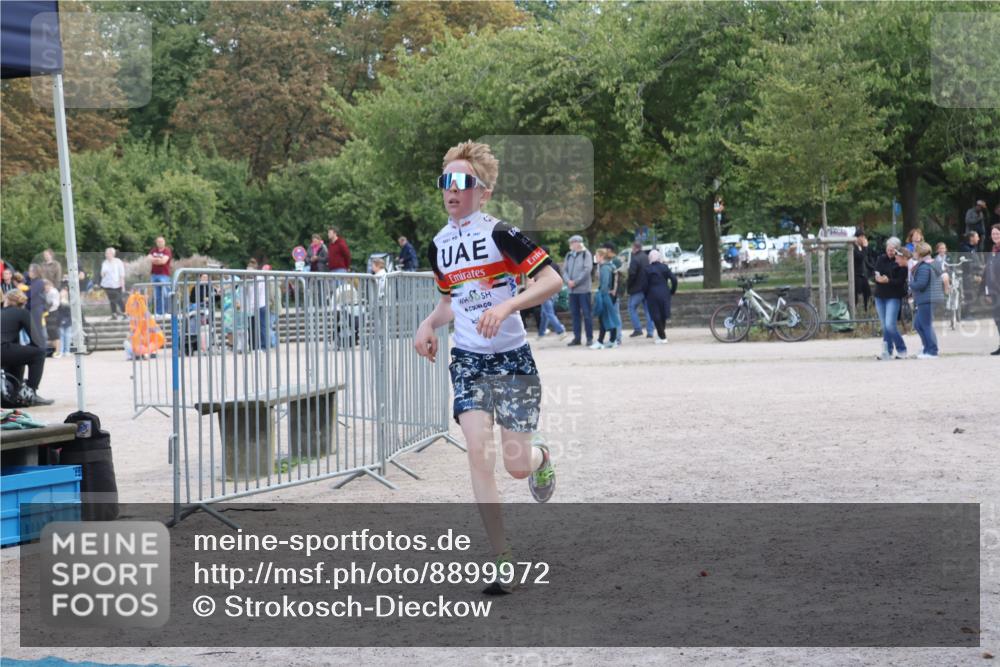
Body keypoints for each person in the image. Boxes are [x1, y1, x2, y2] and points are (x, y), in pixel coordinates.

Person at [415, 140, 561, 595]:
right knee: (477, 450)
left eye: (462, 182)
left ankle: (540, 458)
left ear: (484, 191)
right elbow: (449, 305)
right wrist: (427, 324)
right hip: (469, 360)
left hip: (512, 357)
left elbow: (553, 279)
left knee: (516, 466)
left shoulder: (501, 233)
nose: (451, 190)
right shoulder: (440, 245)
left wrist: (508, 306)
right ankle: (501, 558)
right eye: (446, 182)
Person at [1, 290, 53, 405]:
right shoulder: (22, 313)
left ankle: (14, 394)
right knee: (39, 353)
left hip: (4, 349)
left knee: (18, 356)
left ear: (7, 300)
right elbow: (36, 341)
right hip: (3, 349)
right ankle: (30, 393)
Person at [873, 237, 909, 360]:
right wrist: (877, 278)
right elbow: (876, 272)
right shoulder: (881, 259)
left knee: (890, 325)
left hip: (893, 296)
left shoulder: (900, 262)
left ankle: (902, 349)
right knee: (884, 326)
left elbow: (900, 281)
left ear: (897, 250)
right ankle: (887, 351)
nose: (890, 252)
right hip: (880, 296)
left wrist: (888, 280)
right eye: (888, 249)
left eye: (892, 250)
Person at [909, 242, 941, 359]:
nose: (914, 253)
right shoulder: (933, 263)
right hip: (928, 298)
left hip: (927, 299)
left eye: (915, 251)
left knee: (925, 325)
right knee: (918, 324)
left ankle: (932, 351)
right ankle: (927, 347)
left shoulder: (923, 266)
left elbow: (921, 284)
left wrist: (910, 284)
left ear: (920, 253)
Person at [563, 234, 594, 347]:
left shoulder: (586, 254)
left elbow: (587, 270)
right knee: (574, 315)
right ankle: (577, 338)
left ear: (578, 243)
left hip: (583, 290)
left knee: (587, 315)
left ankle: (589, 338)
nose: (571, 245)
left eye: (572, 243)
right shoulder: (568, 255)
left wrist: (575, 282)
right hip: (572, 291)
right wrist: (568, 281)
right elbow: (564, 270)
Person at [643, 249, 678, 344]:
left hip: (652, 293)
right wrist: (672, 290)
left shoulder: (647, 269)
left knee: (655, 315)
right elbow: (674, 279)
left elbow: (644, 285)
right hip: (664, 292)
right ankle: (661, 334)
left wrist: (645, 294)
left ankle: (662, 336)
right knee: (663, 314)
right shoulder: (664, 267)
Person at [592, 248, 622, 349]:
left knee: (603, 318)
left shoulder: (604, 268)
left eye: (596, 256)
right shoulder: (611, 266)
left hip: (606, 295)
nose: (595, 258)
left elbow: (604, 284)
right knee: (610, 317)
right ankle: (612, 340)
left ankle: (600, 342)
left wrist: (601, 293)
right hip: (612, 295)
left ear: (601, 257)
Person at [626, 242, 654, 338]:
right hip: (647, 287)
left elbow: (632, 275)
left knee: (631, 307)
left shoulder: (635, 259)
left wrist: (628, 286)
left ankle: (638, 329)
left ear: (635, 248)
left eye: (632, 248)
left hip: (637, 288)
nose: (631, 250)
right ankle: (650, 331)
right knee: (648, 310)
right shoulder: (647, 257)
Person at [984, 224, 1000, 356]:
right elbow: (988, 273)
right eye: (993, 234)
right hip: (994, 290)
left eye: (997, 233)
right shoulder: (993, 251)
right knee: (997, 319)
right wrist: (987, 291)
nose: (995, 236)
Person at [147, 236, 173, 315]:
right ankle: (159, 312)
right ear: (156, 242)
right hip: (154, 275)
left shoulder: (167, 250)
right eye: (158, 241)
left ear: (164, 242)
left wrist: (155, 259)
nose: (160, 243)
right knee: (157, 294)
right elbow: (148, 258)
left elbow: (163, 262)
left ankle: (167, 312)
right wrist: (158, 259)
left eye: (161, 241)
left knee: (165, 293)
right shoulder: (153, 250)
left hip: (164, 275)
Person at [100, 247, 126, 320]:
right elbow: (102, 274)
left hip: (117, 284)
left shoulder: (118, 262)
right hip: (107, 285)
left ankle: (125, 313)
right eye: (106, 253)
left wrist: (122, 285)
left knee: (119, 299)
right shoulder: (105, 262)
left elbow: (122, 274)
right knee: (111, 300)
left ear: (112, 254)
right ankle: (114, 314)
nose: (106, 255)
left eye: (108, 253)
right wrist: (103, 272)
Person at [853, 232, 875, 312]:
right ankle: (854, 310)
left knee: (867, 292)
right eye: (862, 237)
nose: (863, 239)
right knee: (856, 294)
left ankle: (867, 309)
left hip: (863, 274)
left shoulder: (861, 247)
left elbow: (865, 261)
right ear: (857, 238)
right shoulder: (853, 247)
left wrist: (874, 269)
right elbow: (860, 257)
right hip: (855, 275)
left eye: (864, 237)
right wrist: (865, 247)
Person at [43, 279, 61, 357]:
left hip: (53, 313)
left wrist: (46, 309)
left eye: (46, 286)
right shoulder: (46, 292)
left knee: (54, 332)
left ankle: (57, 351)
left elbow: (55, 304)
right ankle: (53, 350)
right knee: (49, 332)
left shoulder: (53, 292)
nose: (45, 288)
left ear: (49, 285)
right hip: (47, 313)